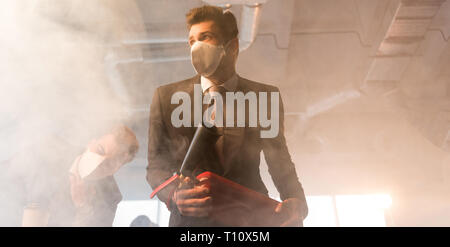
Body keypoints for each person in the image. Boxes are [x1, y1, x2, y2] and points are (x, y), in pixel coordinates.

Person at [146, 5, 308, 227]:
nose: (196, 47)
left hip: (250, 220)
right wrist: (174, 195)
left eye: (206, 37)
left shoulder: (264, 96)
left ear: (232, 46)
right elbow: (155, 166)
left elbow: (280, 162)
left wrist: (296, 201)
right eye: (192, 41)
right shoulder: (166, 98)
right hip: (192, 223)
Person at [21, 125, 139, 227]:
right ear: (91, 142)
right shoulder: (52, 150)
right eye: (100, 150)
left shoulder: (110, 198)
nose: (100, 163)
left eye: (111, 163)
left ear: (116, 170)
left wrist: (83, 208)